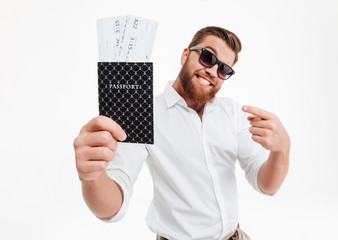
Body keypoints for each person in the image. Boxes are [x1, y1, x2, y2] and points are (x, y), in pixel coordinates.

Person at [73, 26, 290, 240]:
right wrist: (91, 177)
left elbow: (266, 185)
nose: (213, 71)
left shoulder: (233, 112)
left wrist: (281, 150)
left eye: (224, 69)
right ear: (185, 54)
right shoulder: (144, 112)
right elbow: (113, 205)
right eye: (208, 57)